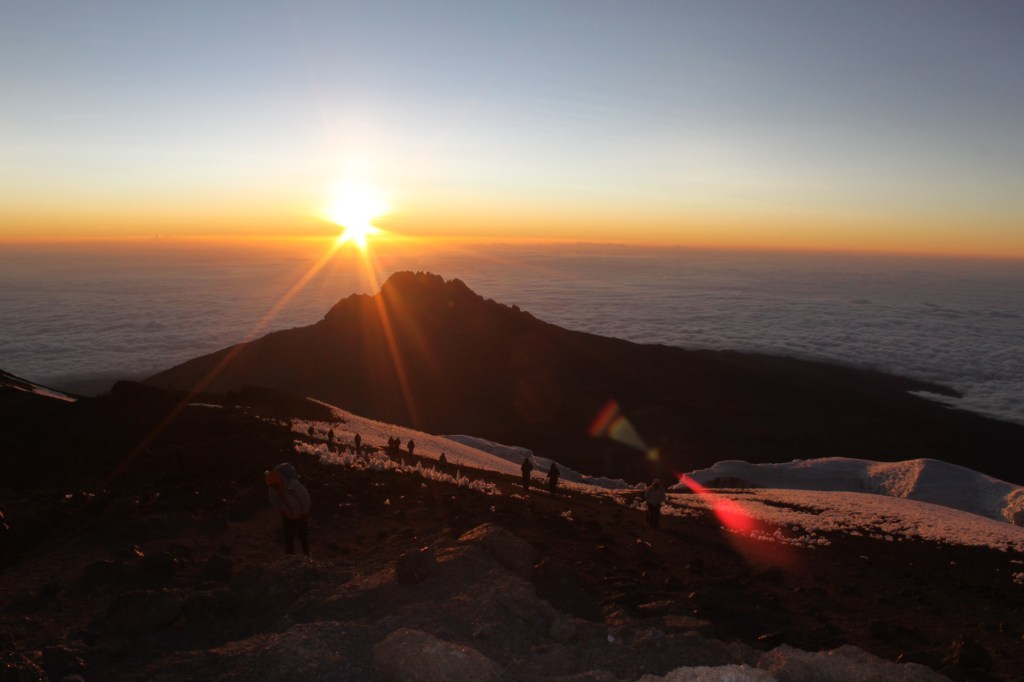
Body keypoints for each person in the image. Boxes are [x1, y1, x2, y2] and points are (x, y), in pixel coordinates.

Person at [265, 462, 312, 555]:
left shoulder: (293, 485)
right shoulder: (273, 488)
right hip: (288, 515)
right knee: (289, 537)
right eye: (272, 486)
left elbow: (305, 498)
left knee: (303, 537)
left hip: (300, 515)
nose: (274, 488)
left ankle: (307, 555)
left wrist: (305, 512)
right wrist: (280, 511)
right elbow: (273, 500)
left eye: (275, 485)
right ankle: (290, 556)